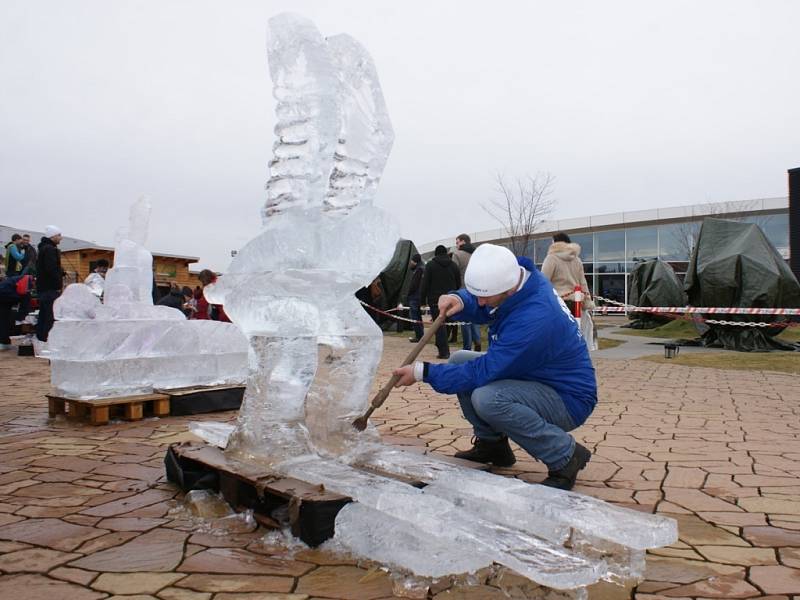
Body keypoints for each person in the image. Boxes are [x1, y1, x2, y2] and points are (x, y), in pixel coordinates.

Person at [392, 243, 597, 490]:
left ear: (509, 289)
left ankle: (564, 455)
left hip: (568, 399)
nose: (479, 302)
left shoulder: (535, 319)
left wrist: (421, 372)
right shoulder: (519, 278)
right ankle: (494, 446)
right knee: (459, 360)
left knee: (488, 398)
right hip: (537, 377)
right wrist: (460, 298)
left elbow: (483, 371)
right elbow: (487, 304)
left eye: (484, 297)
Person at [419, 244, 460, 359]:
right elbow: (458, 283)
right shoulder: (453, 265)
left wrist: (422, 300)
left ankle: (444, 351)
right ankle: (444, 345)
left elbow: (425, 284)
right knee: (448, 323)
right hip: (451, 298)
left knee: (439, 325)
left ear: (436, 253)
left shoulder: (430, 265)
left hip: (435, 300)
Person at [540, 232, 594, 315]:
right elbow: (583, 283)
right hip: (576, 302)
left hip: (558, 303)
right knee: (576, 326)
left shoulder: (551, 258)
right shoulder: (577, 260)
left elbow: (543, 282)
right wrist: (587, 301)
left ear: (555, 243)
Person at [451, 233, 482, 352]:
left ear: (463, 241)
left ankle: (467, 347)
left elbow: (454, 272)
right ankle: (478, 341)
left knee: (464, 319)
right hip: (477, 289)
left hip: (463, 289)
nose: (456, 245)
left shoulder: (457, 254)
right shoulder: (476, 254)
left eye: (457, 242)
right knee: (475, 317)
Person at [35, 225, 64, 342]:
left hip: (43, 288)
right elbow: (51, 268)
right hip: (50, 288)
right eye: (59, 235)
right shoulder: (50, 250)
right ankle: (48, 339)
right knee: (50, 316)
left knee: (43, 314)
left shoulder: (43, 248)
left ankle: (41, 338)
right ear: (52, 236)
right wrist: (58, 281)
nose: (61, 238)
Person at [0, 274, 34, 351]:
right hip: (4, 297)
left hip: (5, 296)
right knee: (4, 320)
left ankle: (4, 343)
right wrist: (21, 318)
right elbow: (25, 301)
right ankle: (3, 343)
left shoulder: (23, 279)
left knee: (3, 320)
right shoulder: (27, 282)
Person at [406, 253, 425, 343]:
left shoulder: (419, 270)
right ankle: (421, 335)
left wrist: (408, 293)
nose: (411, 262)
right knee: (417, 316)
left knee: (415, 316)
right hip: (418, 296)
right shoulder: (421, 269)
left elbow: (414, 285)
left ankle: (419, 336)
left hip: (415, 296)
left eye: (412, 261)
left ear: (415, 261)